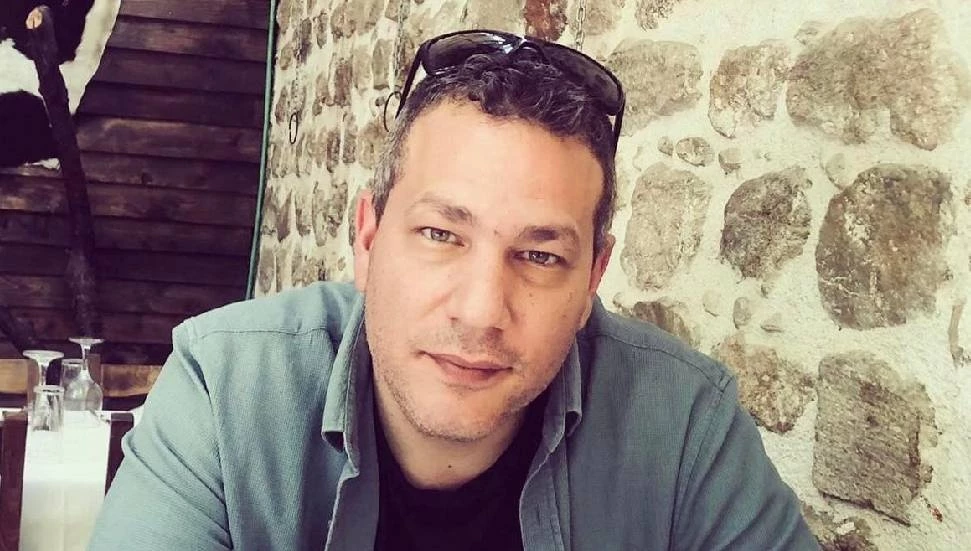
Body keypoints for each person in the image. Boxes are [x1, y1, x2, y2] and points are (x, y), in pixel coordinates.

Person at [89, 30, 818, 550]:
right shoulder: (226, 388)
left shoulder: (685, 425)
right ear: (368, 238)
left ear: (593, 278)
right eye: (441, 234)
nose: (480, 311)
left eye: (539, 255)